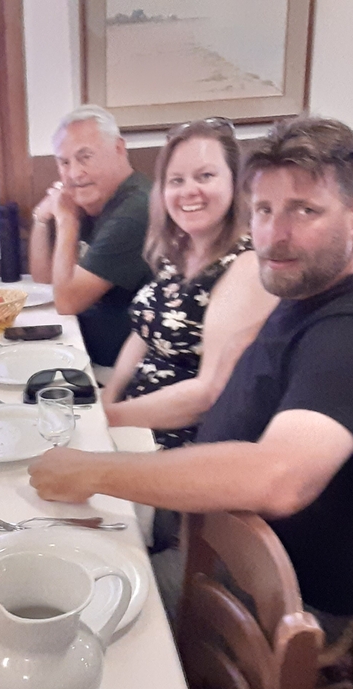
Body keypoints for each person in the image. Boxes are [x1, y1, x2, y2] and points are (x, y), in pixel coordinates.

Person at [29, 117, 353, 631]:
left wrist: (92, 469)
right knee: (43, 544)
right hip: (209, 532)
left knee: (65, 618)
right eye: (264, 210)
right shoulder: (303, 287)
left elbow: (280, 477)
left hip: (269, 588)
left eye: (304, 210)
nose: (276, 235)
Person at [101, 118, 277, 448]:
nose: (188, 191)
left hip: (183, 445)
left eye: (205, 176)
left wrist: (108, 420)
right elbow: (144, 334)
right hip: (133, 425)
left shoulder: (247, 266)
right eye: (176, 180)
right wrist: (107, 400)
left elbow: (206, 395)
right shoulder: (180, 250)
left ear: (236, 183)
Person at [29, 105, 153, 369]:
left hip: (121, 371)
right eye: (64, 162)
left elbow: (66, 302)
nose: (74, 174)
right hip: (84, 350)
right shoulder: (96, 198)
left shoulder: (134, 212)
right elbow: (43, 282)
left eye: (85, 157)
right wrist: (41, 218)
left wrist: (66, 220)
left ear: (119, 149)